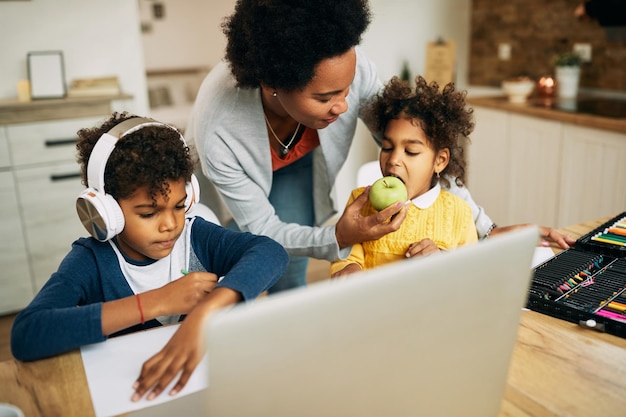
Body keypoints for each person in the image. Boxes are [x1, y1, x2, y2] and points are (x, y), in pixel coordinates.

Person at [186, 0, 574, 296]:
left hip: (302, 157)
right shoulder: (220, 128)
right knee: (266, 258)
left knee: (292, 274)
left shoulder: (351, 69)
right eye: (326, 97)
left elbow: (426, 156)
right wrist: (340, 236)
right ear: (274, 82)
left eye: (347, 89)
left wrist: (485, 228)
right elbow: (265, 229)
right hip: (245, 166)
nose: (344, 105)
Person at [10, 112, 288, 398]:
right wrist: (155, 302)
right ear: (108, 212)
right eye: (148, 213)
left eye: (179, 206)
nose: (170, 224)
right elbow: (28, 334)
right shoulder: (90, 261)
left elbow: (270, 252)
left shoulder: (196, 236)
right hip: (131, 392)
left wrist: (205, 312)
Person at [331, 76, 478, 277]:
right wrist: (348, 269)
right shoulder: (360, 203)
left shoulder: (459, 213)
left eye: (410, 151)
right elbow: (346, 254)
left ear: (440, 161)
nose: (393, 160)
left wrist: (443, 261)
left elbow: (471, 274)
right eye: (387, 147)